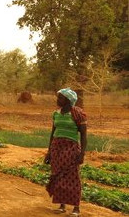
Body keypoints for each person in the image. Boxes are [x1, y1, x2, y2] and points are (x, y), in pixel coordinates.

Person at [44, 88, 87, 217]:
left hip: (71, 148)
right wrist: (49, 152)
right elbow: (53, 133)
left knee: (73, 177)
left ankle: (76, 208)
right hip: (57, 148)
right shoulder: (56, 114)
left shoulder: (78, 114)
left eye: (60, 98)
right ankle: (62, 205)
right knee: (58, 176)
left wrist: (82, 153)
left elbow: (84, 136)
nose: (57, 100)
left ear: (68, 100)